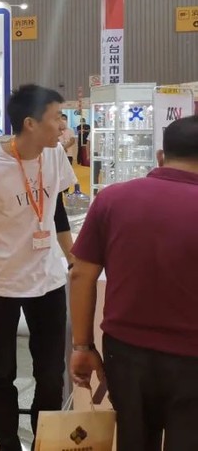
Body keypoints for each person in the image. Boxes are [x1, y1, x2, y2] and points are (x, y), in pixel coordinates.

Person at [70, 116, 198, 451]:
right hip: (192, 358)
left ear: (160, 156)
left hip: (126, 353)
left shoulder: (112, 199)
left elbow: (80, 274)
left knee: (133, 440)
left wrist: (82, 347)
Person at [0, 85, 77, 451]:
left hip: (48, 282)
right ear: (30, 123)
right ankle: (8, 443)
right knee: (2, 372)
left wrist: (72, 259)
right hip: (2, 285)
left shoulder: (54, 156)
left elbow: (56, 211)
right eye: (56, 118)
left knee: (51, 375)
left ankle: (44, 442)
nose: (63, 126)